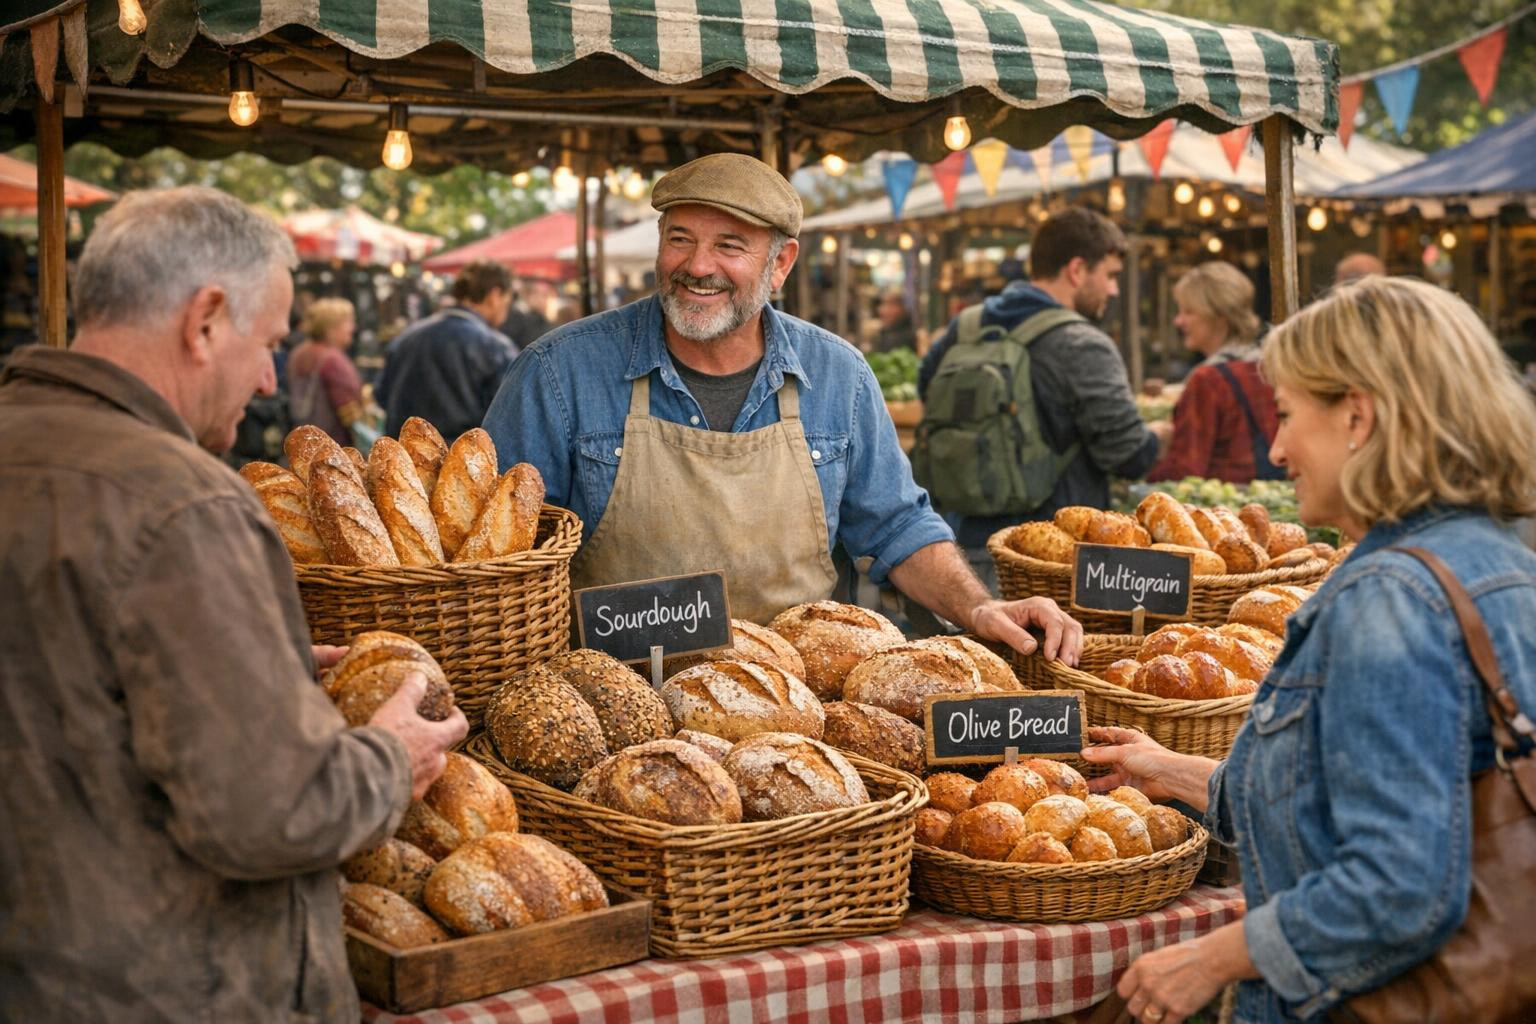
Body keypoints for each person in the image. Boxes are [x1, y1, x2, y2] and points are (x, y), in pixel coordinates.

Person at [0, 186, 468, 1022]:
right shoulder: (184, 503)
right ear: (206, 319)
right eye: (270, 343)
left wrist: (251, 666)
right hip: (165, 989)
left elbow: (65, 679)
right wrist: (392, 760)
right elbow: (272, 810)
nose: (267, 378)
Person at [1083, 276, 1536, 1024]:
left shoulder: (1389, 598)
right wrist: (1170, 770)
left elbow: (1399, 885)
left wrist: (1215, 958)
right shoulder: (1501, 563)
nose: (1279, 448)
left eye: (1289, 414)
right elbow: (1347, 796)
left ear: (1358, 416)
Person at [482, 153, 1083, 664]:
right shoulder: (558, 373)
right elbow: (494, 559)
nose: (698, 266)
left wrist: (980, 607)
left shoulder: (838, 376)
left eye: (729, 246)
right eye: (680, 239)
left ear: (781, 265)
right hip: (612, 711)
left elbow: (898, 526)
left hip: (793, 715)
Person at [918, 206, 1168, 586]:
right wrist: (1161, 435)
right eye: (1110, 275)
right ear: (1077, 270)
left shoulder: (966, 327)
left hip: (961, 545)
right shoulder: (1083, 343)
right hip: (1052, 561)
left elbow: (928, 391)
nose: (1114, 290)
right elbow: (1128, 456)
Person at [1147, 261, 1279, 482]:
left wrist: (1151, 452)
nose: (1178, 321)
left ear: (1219, 317)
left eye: (1189, 311)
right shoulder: (1269, 366)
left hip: (1223, 500)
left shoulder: (1208, 380)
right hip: (1270, 496)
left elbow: (1184, 471)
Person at [377, 259, 517, 441]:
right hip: (461, 456)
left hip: (403, 453)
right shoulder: (496, 348)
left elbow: (381, 395)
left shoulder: (406, 338)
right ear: (495, 295)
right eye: (508, 299)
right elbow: (508, 418)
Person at [287, 296, 365, 446]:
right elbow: (349, 411)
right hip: (333, 443)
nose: (352, 328)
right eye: (348, 322)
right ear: (331, 328)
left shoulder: (298, 353)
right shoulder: (333, 359)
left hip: (303, 440)